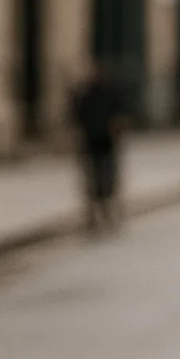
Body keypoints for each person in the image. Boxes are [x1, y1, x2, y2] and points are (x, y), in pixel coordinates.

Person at [71, 60, 126, 232]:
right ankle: (96, 215)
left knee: (106, 179)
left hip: (105, 143)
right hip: (92, 142)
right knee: (94, 180)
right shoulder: (86, 94)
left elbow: (119, 115)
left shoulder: (109, 93)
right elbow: (78, 115)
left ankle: (105, 213)